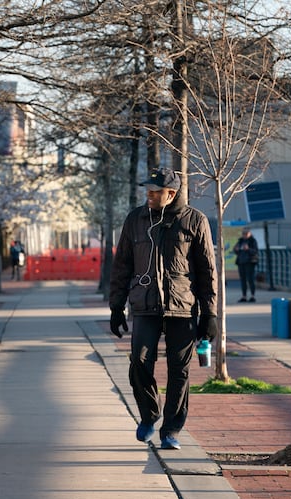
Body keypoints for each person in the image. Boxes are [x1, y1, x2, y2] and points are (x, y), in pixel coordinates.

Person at [109, 167, 217, 451]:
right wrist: (116, 306)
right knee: (139, 364)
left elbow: (208, 271)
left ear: (171, 194)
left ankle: (171, 430)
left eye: (155, 191)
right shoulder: (135, 219)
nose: (149, 195)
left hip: (183, 306)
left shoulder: (195, 220)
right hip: (144, 305)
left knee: (179, 371)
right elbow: (122, 265)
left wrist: (210, 314)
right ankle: (149, 414)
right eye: (148, 190)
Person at [233, 227, 259, 302]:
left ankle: (252, 296)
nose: (244, 235)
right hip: (241, 262)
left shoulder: (252, 241)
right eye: (243, 233)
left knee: (250, 279)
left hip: (250, 262)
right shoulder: (240, 241)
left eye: (246, 233)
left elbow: (255, 251)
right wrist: (236, 249)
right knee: (243, 280)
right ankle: (244, 296)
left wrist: (248, 249)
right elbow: (235, 250)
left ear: (249, 233)